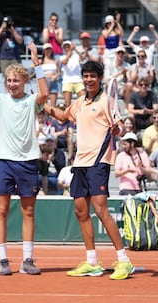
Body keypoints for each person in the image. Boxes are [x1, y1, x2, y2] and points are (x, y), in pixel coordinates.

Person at [43, 60, 134, 280]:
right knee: (80, 211)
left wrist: (118, 129)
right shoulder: (80, 102)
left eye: (93, 76)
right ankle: (92, 261)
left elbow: (120, 128)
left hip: (99, 161)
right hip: (80, 163)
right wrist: (41, 105)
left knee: (101, 210)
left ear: (100, 78)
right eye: (85, 76)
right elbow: (64, 116)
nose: (89, 80)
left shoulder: (107, 101)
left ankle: (124, 260)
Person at [0, 40, 49, 275]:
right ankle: (2, 260)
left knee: (28, 211)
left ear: (25, 81)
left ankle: (27, 260)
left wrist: (36, 62)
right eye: (9, 81)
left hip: (27, 162)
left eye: (16, 80)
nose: (12, 84)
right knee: (1, 210)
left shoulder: (31, 100)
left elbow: (45, 92)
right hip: (4, 160)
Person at [103, 46, 133, 112]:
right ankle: (114, 106)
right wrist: (120, 73)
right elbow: (106, 79)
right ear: (116, 54)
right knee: (109, 84)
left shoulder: (127, 65)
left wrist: (124, 74)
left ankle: (127, 107)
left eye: (122, 53)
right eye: (119, 53)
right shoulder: (109, 64)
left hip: (122, 87)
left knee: (129, 85)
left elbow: (128, 81)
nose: (120, 55)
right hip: (112, 86)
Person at [60, 40, 86, 107]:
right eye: (65, 47)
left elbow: (83, 59)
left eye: (68, 47)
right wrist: (71, 51)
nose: (67, 48)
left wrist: (75, 49)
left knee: (83, 102)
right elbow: (65, 62)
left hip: (78, 81)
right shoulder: (62, 57)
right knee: (67, 104)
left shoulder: (76, 56)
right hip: (67, 81)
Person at [41, 43, 61, 107]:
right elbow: (37, 73)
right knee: (44, 104)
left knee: (53, 105)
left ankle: (52, 117)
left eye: (49, 49)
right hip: (44, 81)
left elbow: (59, 72)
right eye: (46, 50)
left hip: (53, 81)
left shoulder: (56, 61)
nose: (48, 51)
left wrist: (55, 77)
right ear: (43, 51)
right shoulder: (40, 61)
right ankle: (45, 116)